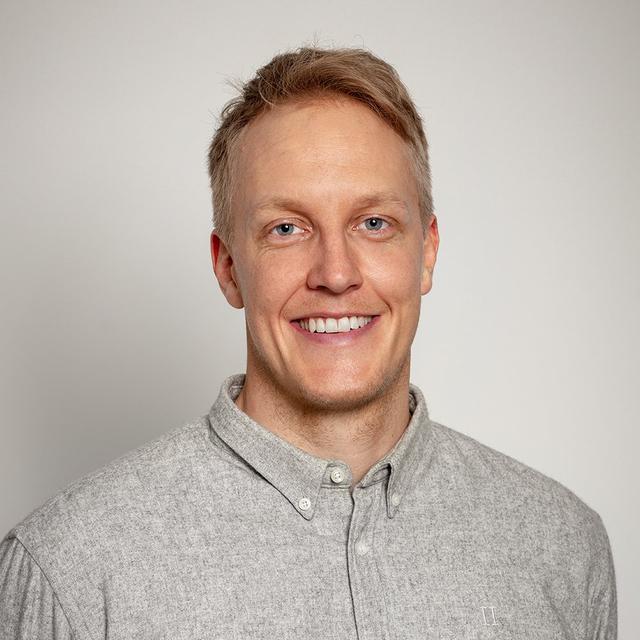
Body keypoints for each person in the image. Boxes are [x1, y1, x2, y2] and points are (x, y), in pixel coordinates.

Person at [0, 46, 617, 639]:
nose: (336, 274)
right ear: (228, 267)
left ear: (426, 252)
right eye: (287, 228)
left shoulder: (562, 545)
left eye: (373, 223)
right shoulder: (69, 568)